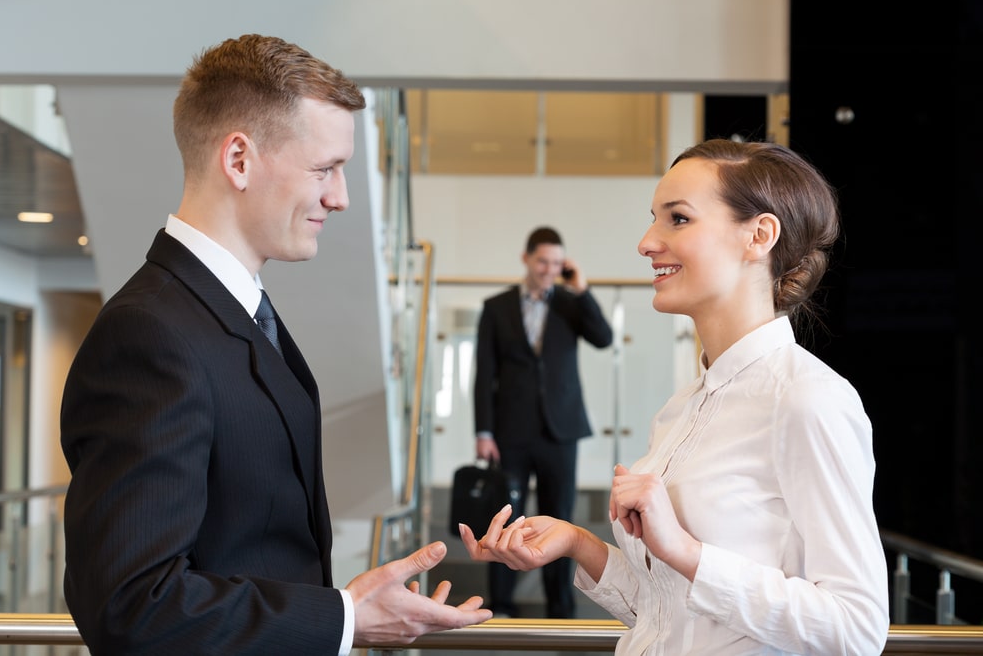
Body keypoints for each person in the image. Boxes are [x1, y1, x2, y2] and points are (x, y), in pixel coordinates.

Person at [59, 34, 491, 655]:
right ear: (238, 159)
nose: (339, 197)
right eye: (325, 169)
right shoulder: (150, 333)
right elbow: (132, 605)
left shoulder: (231, 310)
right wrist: (344, 618)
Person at [461, 139, 890, 654]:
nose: (646, 242)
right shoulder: (678, 410)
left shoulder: (807, 400)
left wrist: (686, 551)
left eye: (678, 219)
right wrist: (579, 543)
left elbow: (857, 629)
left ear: (759, 235)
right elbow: (669, 614)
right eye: (653, 219)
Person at [473, 226, 613, 618]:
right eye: (542, 262)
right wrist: (483, 431)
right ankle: (500, 607)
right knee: (503, 521)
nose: (549, 270)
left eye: (556, 263)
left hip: (560, 432)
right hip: (509, 434)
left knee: (560, 521)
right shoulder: (496, 306)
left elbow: (603, 338)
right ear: (526, 259)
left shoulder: (571, 303)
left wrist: (582, 290)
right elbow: (484, 373)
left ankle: (560, 608)